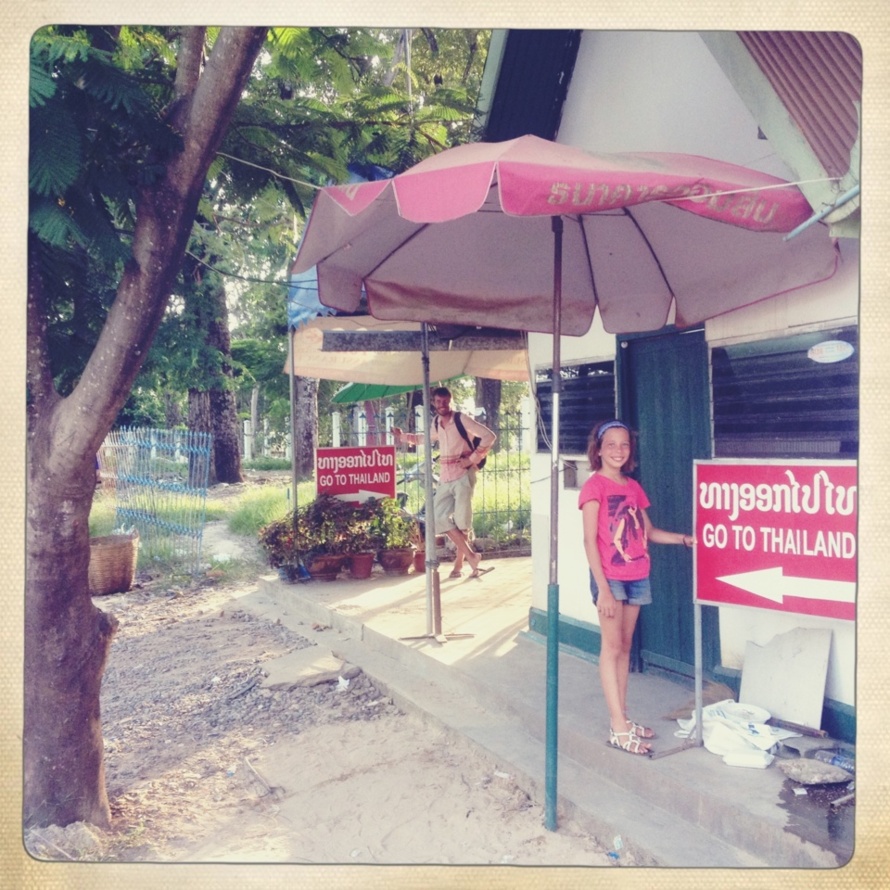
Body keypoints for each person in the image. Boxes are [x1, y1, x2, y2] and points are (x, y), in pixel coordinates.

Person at [578, 419, 696, 756]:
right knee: (611, 646)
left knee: (626, 647)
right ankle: (617, 728)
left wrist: (686, 540)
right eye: (611, 444)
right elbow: (589, 541)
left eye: (624, 445)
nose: (618, 450)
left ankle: (624, 718)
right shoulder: (594, 487)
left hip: (637, 573)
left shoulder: (632, 486)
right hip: (610, 578)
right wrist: (603, 588)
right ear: (598, 449)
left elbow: (649, 533)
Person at [392, 387, 496, 579]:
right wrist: (403, 436)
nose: (442, 405)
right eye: (438, 402)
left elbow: (489, 436)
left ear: (450, 401)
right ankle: (472, 557)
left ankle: (460, 565)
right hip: (446, 476)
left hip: (464, 475)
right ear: (433, 402)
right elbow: (425, 438)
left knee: (462, 523)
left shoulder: (460, 419)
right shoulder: (436, 422)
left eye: (445, 402)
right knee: (437, 517)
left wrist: (472, 459)